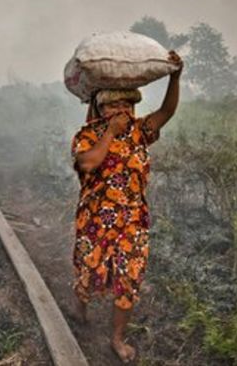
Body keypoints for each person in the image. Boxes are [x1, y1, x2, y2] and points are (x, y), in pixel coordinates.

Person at [70, 51, 183, 363]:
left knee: (128, 281)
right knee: (89, 274)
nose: (122, 110)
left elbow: (167, 111)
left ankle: (117, 338)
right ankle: (79, 306)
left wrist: (175, 77)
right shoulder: (87, 136)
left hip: (132, 222)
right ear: (100, 106)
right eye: (114, 104)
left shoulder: (140, 133)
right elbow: (90, 163)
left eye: (128, 104)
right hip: (95, 222)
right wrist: (110, 133)